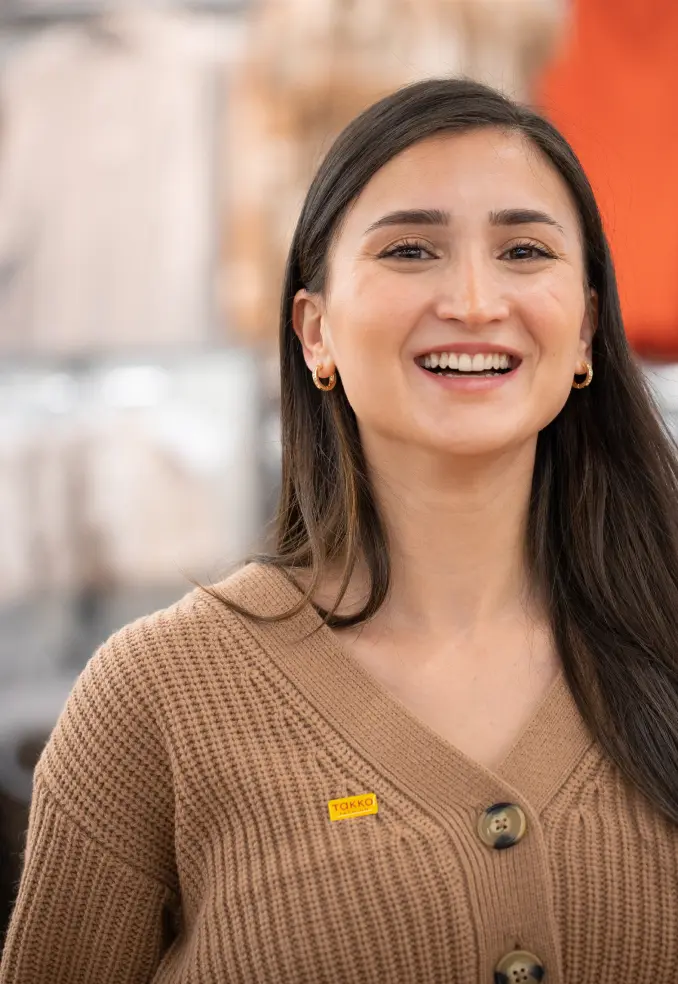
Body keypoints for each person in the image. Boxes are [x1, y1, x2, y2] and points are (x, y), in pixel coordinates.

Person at [2, 78, 678, 984]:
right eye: (410, 250)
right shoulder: (156, 701)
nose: (476, 301)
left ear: (588, 327)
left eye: (524, 250)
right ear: (315, 332)